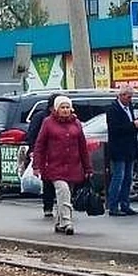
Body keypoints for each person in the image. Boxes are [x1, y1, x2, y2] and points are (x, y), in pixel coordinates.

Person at [31, 96, 93, 235]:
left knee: (65, 195)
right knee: (63, 190)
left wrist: (87, 167)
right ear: (56, 109)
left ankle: (59, 223)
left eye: (67, 107)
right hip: (55, 166)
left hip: (73, 166)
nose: (65, 110)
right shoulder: (48, 123)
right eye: (62, 107)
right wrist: (36, 165)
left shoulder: (76, 123)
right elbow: (40, 145)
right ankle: (67, 222)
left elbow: (83, 146)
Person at [105, 84, 138, 216]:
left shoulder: (130, 108)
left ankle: (125, 204)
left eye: (131, 97)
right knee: (119, 176)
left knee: (128, 178)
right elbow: (116, 129)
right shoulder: (113, 109)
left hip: (130, 148)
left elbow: (130, 128)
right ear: (121, 96)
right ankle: (113, 205)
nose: (130, 99)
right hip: (118, 148)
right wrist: (132, 125)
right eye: (128, 97)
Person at [25, 93, 60, 219]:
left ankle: (63, 207)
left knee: (63, 184)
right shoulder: (41, 118)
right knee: (48, 183)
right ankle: (48, 207)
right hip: (46, 155)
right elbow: (32, 135)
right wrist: (33, 151)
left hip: (62, 156)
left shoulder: (68, 119)